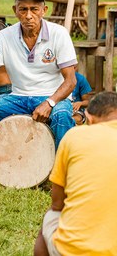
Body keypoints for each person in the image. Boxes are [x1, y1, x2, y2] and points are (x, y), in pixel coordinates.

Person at [0, 0, 77, 181]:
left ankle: (62, 175)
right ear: (15, 10)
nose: (28, 15)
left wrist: (49, 102)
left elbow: (71, 80)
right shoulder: (4, 36)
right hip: (18, 96)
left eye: (34, 9)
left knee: (62, 115)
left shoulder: (59, 34)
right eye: (23, 9)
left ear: (44, 10)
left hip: (52, 97)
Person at [33, 91, 117, 256]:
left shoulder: (74, 135)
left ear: (89, 118)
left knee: (50, 218)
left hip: (73, 249)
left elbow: (57, 203)